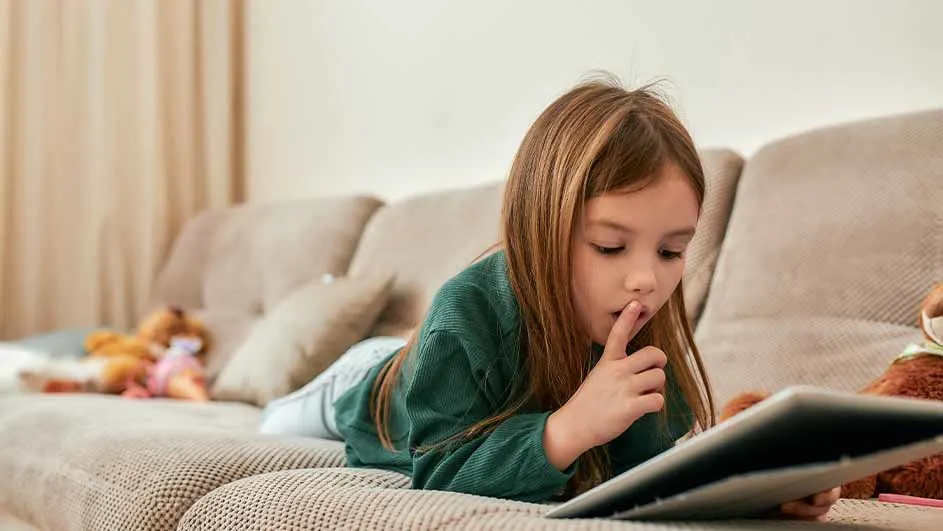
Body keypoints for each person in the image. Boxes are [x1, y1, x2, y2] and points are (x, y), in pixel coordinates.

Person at [260, 76, 841, 520]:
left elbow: (646, 474)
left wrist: (764, 490)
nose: (646, 279)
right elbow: (439, 473)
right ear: (540, 233)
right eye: (610, 246)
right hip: (375, 381)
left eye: (671, 251)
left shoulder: (640, 324)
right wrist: (568, 429)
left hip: (433, 360)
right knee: (280, 419)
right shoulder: (466, 311)